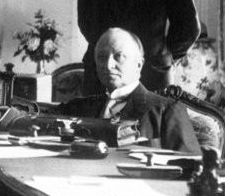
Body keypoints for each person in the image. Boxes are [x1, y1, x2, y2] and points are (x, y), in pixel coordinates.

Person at [58, 28, 199, 152]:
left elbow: (189, 168)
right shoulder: (79, 107)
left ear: (138, 65)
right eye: (101, 57)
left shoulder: (168, 110)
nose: (108, 65)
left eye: (118, 56)